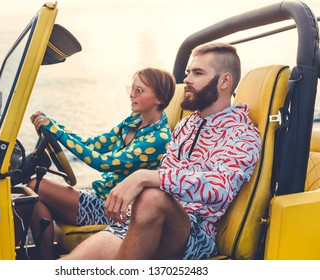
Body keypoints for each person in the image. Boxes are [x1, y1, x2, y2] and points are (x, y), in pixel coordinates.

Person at [60, 42, 261, 260]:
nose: (187, 80)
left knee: (152, 197)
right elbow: (167, 172)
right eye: (188, 72)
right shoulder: (186, 126)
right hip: (145, 216)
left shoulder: (242, 134)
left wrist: (146, 177)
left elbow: (220, 188)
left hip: (196, 235)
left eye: (198, 73)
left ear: (224, 81)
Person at [27, 67, 176, 259]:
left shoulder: (159, 138)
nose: (132, 94)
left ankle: (45, 260)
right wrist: (54, 126)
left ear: (159, 99)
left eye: (140, 90)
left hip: (113, 209)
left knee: (34, 186)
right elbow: (93, 145)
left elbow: (103, 162)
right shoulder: (133, 121)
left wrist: (56, 131)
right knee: (33, 190)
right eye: (132, 88)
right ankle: (44, 258)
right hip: (99, 196)